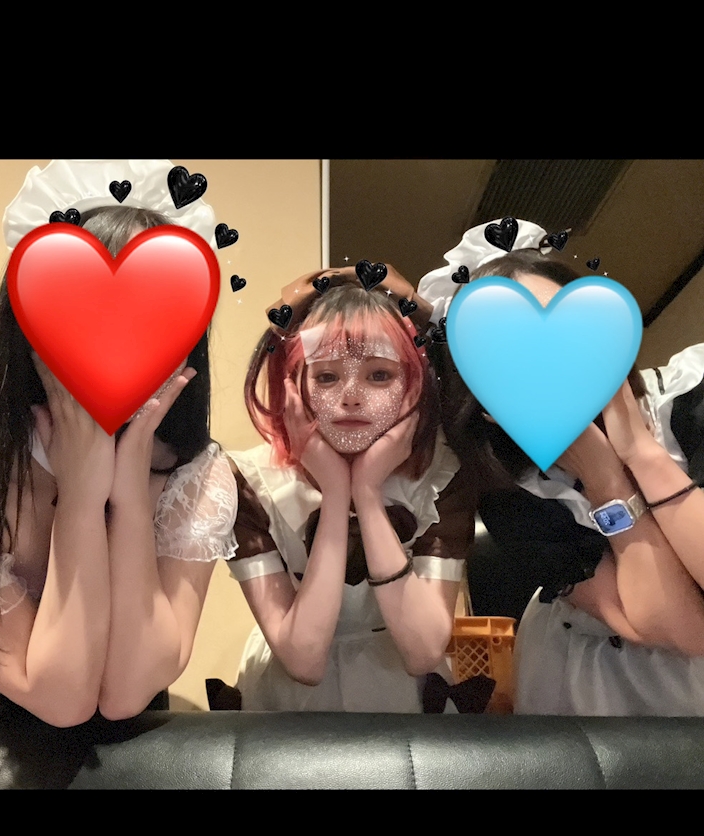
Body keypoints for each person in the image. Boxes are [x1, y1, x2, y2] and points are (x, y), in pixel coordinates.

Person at [0, 159, 237, 760]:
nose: (121, 343)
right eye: (86, 311)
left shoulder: (196, 476)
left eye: (158, 314)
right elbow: (61, 696)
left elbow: (127, 690)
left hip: (124, 749)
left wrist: (129, 493)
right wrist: (82, 501)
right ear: (27, 324)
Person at [417, 220, 704, 716]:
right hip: (583, 676)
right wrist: (603, 474)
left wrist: (642, 452)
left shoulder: (689, 401)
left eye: (565, 331)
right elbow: (680, 629)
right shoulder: (511, 491)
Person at [208, 263, 486, 714]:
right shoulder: (248, 480)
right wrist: (337, 494)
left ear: (414, 384)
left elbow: (423, 651)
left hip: (403, 695)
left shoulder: (442, 475)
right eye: (326, 376)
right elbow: (304, 658)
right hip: (287, 702)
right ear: (292, 385)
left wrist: (368, 495)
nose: (352, 395)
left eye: (379, 375)